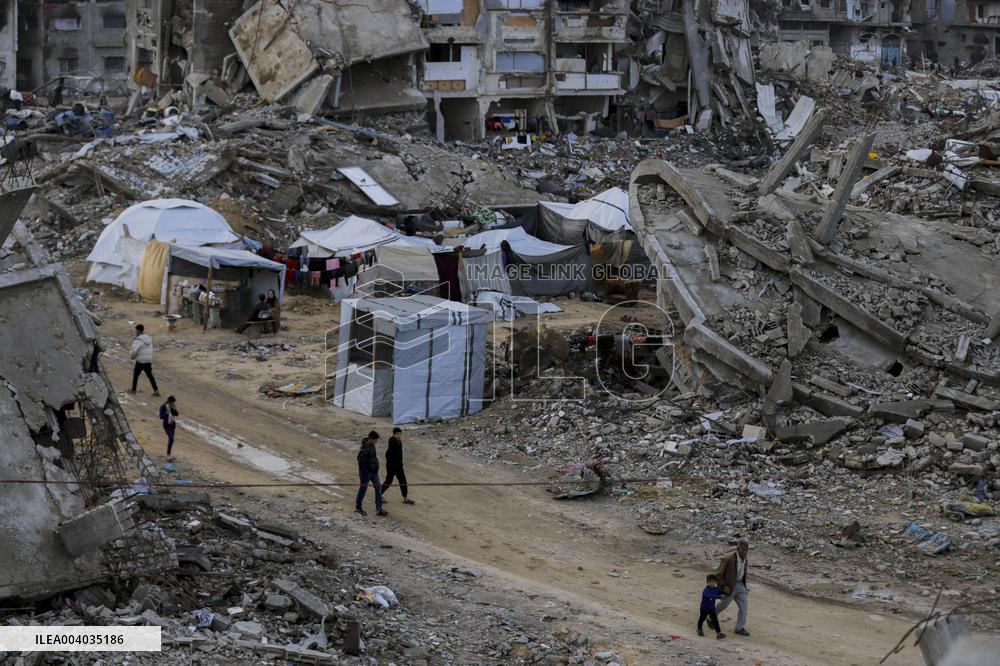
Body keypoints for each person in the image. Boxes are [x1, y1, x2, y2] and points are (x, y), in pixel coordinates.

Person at [714, 538, 750, 636]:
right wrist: (724, 586)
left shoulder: (745, 559)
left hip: (740, 585)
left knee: (744, 606)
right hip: (729, 585)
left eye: (746, 550)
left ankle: (739, 628)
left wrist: (744, 586)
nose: (744, 552)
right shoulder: (728, 559)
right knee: (724, 604)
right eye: (742, 550)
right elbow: (717, 574)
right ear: (737, 549)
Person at [355, 431, 387, 517]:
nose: (376, 442)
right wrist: (366, 472)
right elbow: (360, 461)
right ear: (371, 439)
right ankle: (358, 507)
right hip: (366, 473)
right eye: (375, 440)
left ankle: (379, 509)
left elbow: (373, 458)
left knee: (378, 488)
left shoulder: (372, 445)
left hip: (374, 472)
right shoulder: (365, 448)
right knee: (363, 490)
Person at [382, 427, 414, 505]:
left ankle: (405, 498)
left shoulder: (399, 442)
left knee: (403, 481)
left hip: (399, 466)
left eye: (400, 434)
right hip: (392, 466)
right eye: (397, 434)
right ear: (394, 434)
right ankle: (379, 494)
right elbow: (388, 454)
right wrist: (391, 465)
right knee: (389, 481)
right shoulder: (392, 442)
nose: (399, 436)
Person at [129, 324, 159, 395]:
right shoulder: (148, 339)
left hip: (140, 361)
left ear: (138, 330)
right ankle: (156, 390)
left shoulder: (138, 340)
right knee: (150, 375)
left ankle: (133, 390)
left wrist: (132, 357)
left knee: (136, 375)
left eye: (136, 331)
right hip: (148, 361)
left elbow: (134, 351)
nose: (135, 332)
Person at [697, 574, 726, 639]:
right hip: (704, 608)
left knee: (715, 620)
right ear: (707, 582)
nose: (711, 583)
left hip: (712, 608)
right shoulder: (706, 590)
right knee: (702, 619)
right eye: (710, 582)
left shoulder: (716, 589)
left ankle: (718, 633)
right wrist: (720, 596)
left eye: (713, 582)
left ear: (716, 583)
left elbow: (720, 591)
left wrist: (726, 592)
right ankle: (699, 629)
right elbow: (710, 596)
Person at [159, 396, 179, 461]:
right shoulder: (163, 407)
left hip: (172, 425)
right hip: (166, 425)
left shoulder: (172, 406)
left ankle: (169, 454)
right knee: (171, 438)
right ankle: (168, 454)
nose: (172, 404)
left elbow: (177, 414)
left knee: (171, 439)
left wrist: (174, 409)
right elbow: (161, 417)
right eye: (171, 403)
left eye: (173, 403)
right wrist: (166, 413)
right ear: (168, 401)